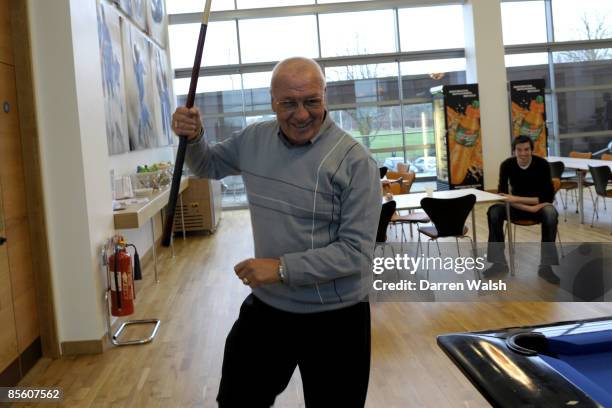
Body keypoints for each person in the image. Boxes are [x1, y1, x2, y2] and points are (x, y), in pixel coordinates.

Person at [172, 57, 381, 407]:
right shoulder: (254, 139)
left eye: (311, 101)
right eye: (288, 103)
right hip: (270, 310)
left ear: (325, 97)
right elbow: (207, 163)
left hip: (337, 318)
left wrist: (281, 268)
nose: (301, 114)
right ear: (272, 102)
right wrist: (194, 136)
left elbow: (357, 253)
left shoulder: (355, 162)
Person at [484, 135, 560, 283]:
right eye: (519, 150)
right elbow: (503, 196)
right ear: (514, 151)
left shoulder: (542, 164)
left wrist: (519, 200)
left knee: (550, 213)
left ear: (532, 150)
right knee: (494, 211)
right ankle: (499, 263)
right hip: (515, 208)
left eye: (526, 149)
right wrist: (525, 206)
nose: (523, 153)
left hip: (539, 208)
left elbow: (548, 197)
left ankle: (546, 266)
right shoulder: (507, 165)